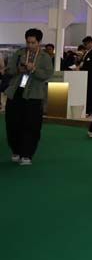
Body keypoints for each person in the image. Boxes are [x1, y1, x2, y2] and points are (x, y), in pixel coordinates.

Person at [5, 28, 54, 165]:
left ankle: (27, 154)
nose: (30, 45)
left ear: (39, 42)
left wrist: (34, 69)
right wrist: (18, 69)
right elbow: (9, 70)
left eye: (33, 42)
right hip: (16, 93)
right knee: (13, 123)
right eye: (28, 42)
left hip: (34, 95)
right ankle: (16, 150)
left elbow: (47, 74)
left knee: (31, 125)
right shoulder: (19, 53)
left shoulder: (45, 57)